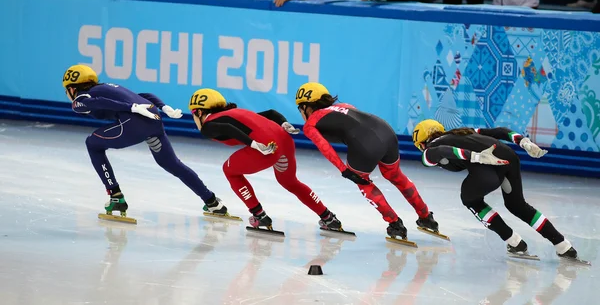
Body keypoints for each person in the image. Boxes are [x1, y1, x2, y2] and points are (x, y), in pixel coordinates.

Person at [62, 65, 230, 220]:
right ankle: (212, 202)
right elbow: (143, 96)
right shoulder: (107, 87)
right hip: (154, 121)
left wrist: (130, 108)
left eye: (66, 90)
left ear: (72, 88)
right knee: (172, 164)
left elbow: (92, 103)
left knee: (92, 144)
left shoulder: (82, 98)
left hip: (133, 123)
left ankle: (116, 196)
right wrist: (163, 107)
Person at [412, 119, 583, 262]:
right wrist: (523, 141)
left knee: (469, 199)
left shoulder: (429, 150)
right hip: (509, 157)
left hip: (487, 166)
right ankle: (563, 246)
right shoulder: (463, 132)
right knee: (517, 205)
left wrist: (476, 157)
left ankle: (515, 242)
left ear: (422, 142)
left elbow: (441, 151)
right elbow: (500, 131)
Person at [295, 82, 440, 240]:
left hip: (365, 144)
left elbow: (325, 148)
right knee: (397, 176)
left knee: (363, 183)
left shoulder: (310, 124)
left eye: (300, 108)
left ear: (306, 107)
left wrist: (344, 170)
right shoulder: (344, 105)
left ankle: (395, 224)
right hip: (386, 132)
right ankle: (427, 218)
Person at [188, 88, 344, 231]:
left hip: (266, 147)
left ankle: (259, 215)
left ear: (200, 112)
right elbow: (270, 113)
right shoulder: (232, 114)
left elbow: (228, 130)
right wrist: (284, 123)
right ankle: (328, 218)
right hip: (285, 141)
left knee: (229, 170)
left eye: (193, 112)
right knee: (290, 182)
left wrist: (253, 144)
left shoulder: (208, 125)